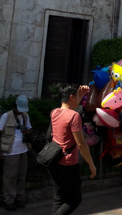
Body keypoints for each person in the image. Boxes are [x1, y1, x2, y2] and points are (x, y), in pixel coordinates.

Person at [49, 85, 97, 215]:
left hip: (54, 161)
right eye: (77, 97)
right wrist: (91, 165)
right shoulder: (74, 116)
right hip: (68, 163)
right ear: (71, 97)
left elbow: (70, 109)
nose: (80, 101)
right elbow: (81, 144)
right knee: (74, 200)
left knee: (59, 200)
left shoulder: (54, 112)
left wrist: (79, 95)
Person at [0, 95, 32, 211]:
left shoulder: (26, 116)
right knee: (10, 176)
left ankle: (19, 198)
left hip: (23, 149)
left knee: (22, 175)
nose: (20, 112)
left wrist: (27, 132)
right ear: (15, 106)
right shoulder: (6, 116)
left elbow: (30, 130)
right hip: (10, 151)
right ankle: (9, 200)